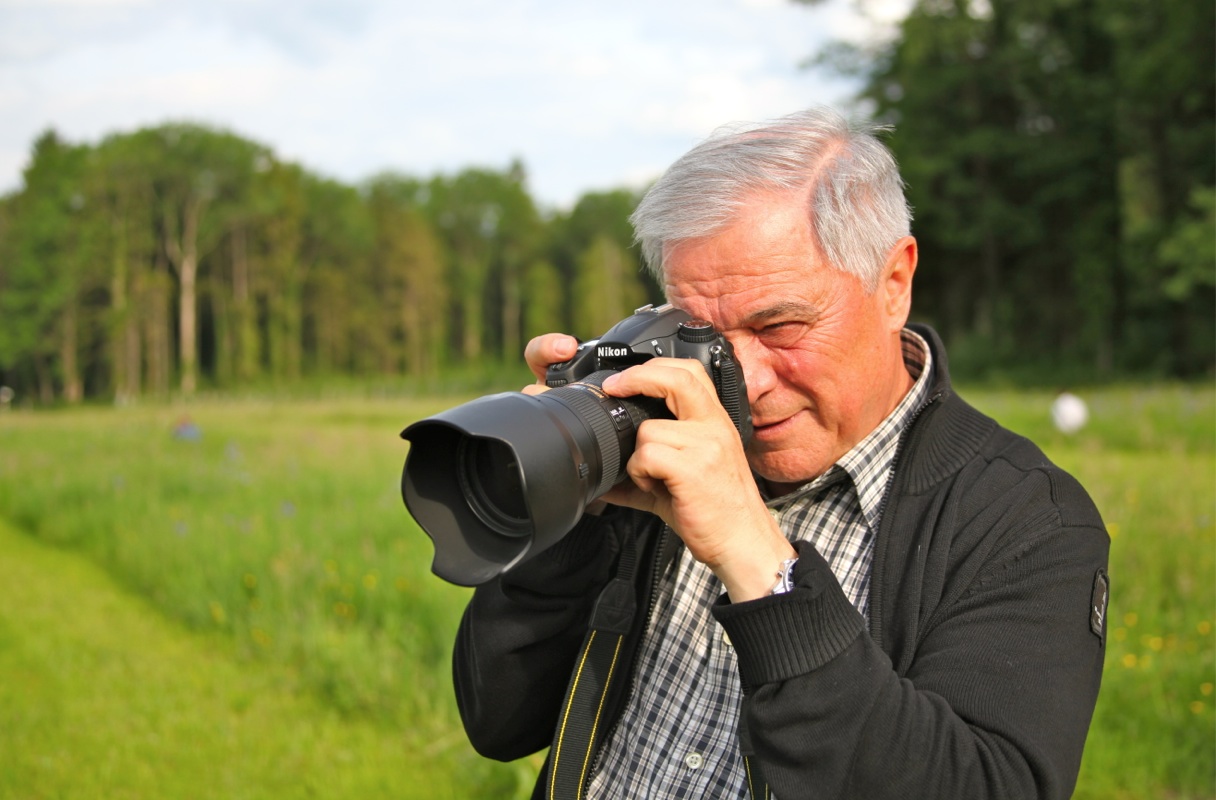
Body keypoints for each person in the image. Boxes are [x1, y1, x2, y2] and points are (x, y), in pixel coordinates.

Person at [451, 107, 1109, 799]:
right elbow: (499, 721)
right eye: (703, 335)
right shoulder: (651, 443)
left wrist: (763, 567)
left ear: (894, 284)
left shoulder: (1027, 520)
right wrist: (568, 494)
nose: (747, 382)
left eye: (781, 325)